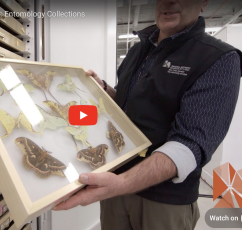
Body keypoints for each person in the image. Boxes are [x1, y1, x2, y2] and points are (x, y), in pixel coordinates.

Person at [53, 0, 242, 229]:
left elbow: (191, 144)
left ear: (203, 3)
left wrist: (121, 183)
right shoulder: (138, 49)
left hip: (163, 200)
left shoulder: (218, 58)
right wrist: (104, 90)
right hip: (115, 185)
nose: (169, 2)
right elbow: (130, 103)